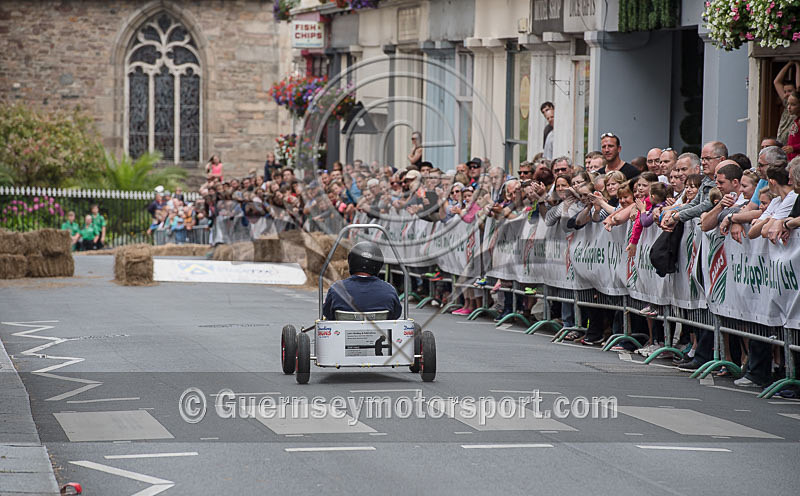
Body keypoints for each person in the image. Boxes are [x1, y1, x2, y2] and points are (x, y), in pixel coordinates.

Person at [322, 241, 402, 320]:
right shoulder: (389, 290)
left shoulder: (336, 289)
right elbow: (396, 314)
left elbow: (327, 313)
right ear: (378, 264)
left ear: (351, 262)